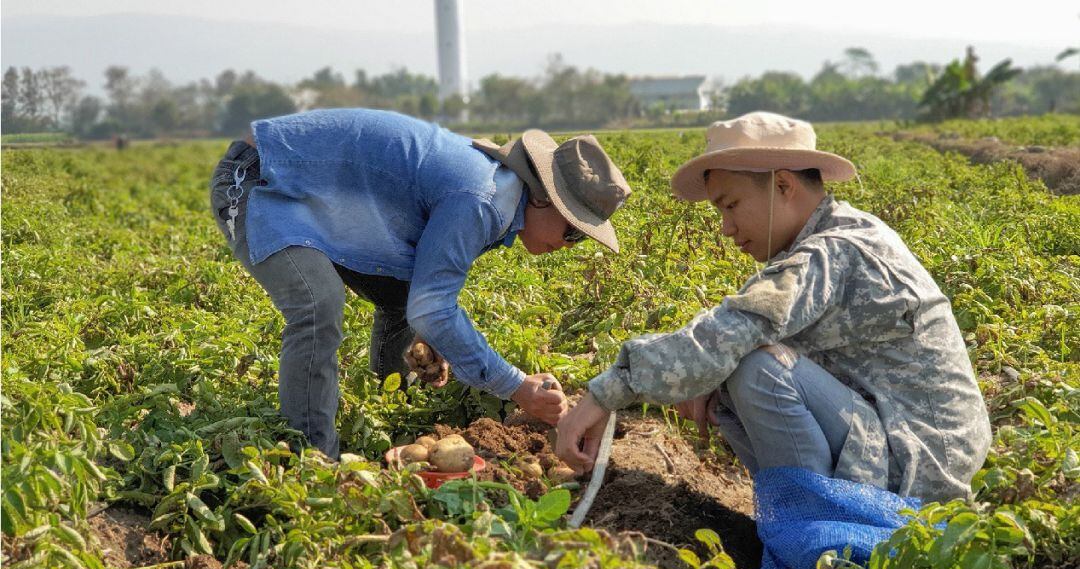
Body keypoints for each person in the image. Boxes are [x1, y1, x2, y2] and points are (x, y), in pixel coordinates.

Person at [555, 111, 990, 502]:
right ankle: (801, 523)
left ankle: (820, 539)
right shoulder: (840, 235)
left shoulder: (832, 251)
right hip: (907, 447)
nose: (726, 228)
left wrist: (606, 393)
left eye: (731, 205)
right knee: (734, 368)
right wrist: (708, 377)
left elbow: (736, 326)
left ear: (783, 185)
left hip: (920, 468)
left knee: (757, 368)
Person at [209, 108, 631, 458]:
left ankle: (390, 400)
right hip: (262, 179)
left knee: (402, 294)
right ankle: (312, 458)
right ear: (542, 198)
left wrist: (438, 340)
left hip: (319, 197)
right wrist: (516, 386)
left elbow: (424, 296)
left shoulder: (498, 193)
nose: (569, 244)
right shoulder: (482, 199)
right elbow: (433, 307)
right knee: (317, 306)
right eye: (573, 230)